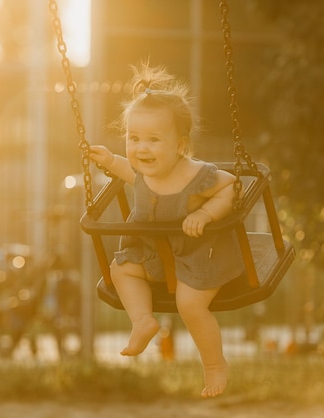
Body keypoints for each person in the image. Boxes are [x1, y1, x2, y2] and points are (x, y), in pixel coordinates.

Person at [89, 63, 244, 398]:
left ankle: (215, 364)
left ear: (180, 144)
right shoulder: (144, 172)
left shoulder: (196, 174)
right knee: (121, 270)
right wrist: (108, 159)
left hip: (199, 255)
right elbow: (124, 168)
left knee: (189, 304)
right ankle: (142, 320)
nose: (141, 149)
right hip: (156, 253)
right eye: (134, 139)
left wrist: (205, 212)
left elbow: (231, 188)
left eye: (154, 140)